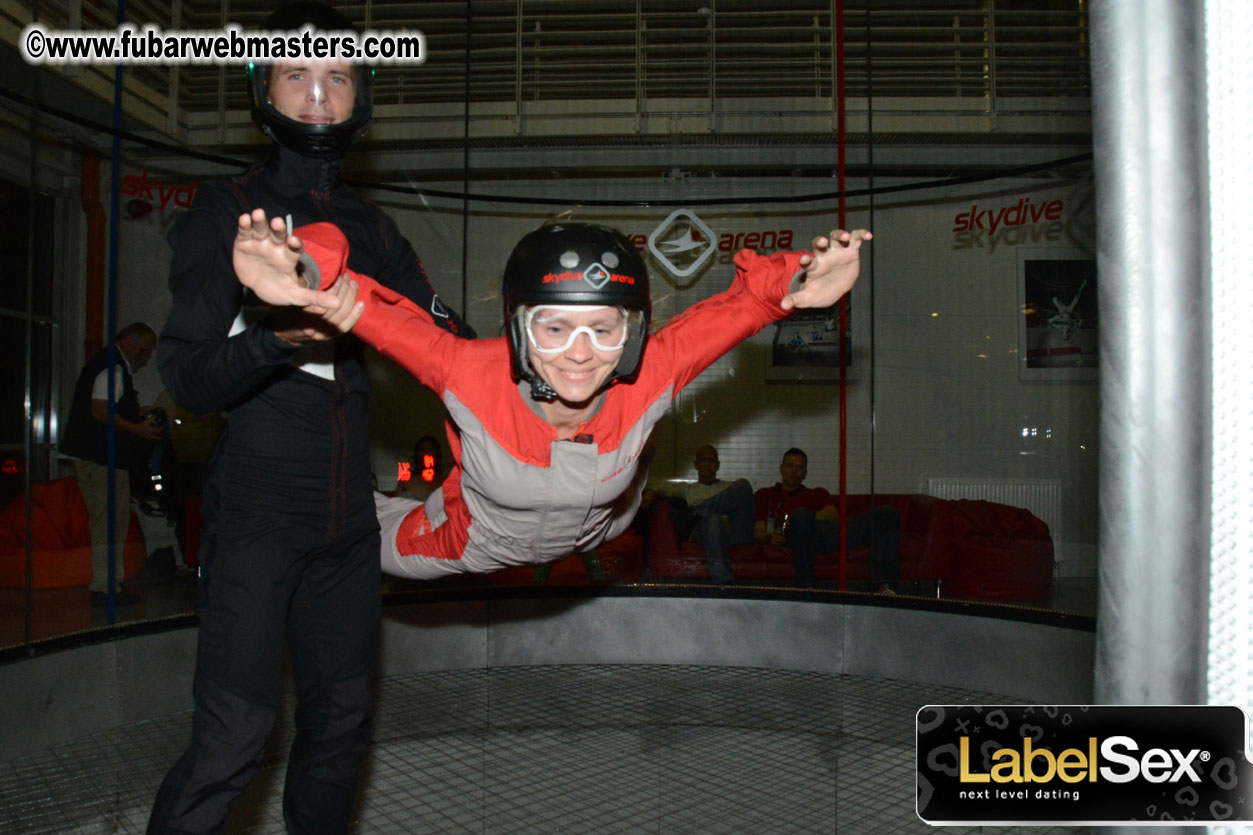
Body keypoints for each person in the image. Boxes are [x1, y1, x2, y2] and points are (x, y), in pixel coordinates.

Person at [147, 4, 472, 833]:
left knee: (338, 731)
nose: (320, 95)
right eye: (298, 73)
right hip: (256, 513)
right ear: (266, 88)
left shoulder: (373, 227)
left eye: (339, 75)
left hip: (347, 527)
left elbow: (451, 345)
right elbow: (183, 378)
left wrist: (545, 370)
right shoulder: (229, 212)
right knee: (234, 738)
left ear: (361, 93)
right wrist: (276, 336)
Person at [233, 211, 872, 584]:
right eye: (555, 327)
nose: (581, 352)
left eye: (606, 328)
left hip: (600, 523)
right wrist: (303, 273)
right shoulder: (468, 371)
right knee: (329, 521)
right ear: (518, 328)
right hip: (466, 541)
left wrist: (802, 283)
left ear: (634, 331)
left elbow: (749, 304)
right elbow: (358, 303)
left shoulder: (651, 369)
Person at [60, 322, 161, 606]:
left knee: (111, 521)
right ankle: (105, 588)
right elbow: (100, 410)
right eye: (144, 349)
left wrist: (135, 413)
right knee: (108, 523)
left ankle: (110, 586)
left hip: (101, 458)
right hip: (101, 458)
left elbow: (104, 407)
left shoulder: (109, 365)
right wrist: (138, 428)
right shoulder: (113, 367)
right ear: (129, 342)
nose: (145, 356)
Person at [753, 447, 901, 589]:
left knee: (887, 513)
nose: (794, 471)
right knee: (799, 516)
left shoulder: (817, 493)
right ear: (781, 468)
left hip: (826, 535)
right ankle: (806, 586)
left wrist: (808, 516)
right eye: (790, 465)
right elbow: (757, 531)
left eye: (799, 467)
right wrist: (770, 537)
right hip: (796, 539)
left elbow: (832, 515)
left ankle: (883, 587)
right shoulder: (766, 495)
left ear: (805, 473)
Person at [649, 445, 754, 584]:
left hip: (732, 532)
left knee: (744, 485)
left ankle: (701, 509)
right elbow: (658, 487)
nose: (707, 465)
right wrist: (650, 494)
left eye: (711, 461)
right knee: (713, 520)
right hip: (705, 532)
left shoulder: (729, 488)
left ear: (717, 465)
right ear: (696, 464)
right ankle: (724, 585)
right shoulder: (688, 489)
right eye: (703, 460)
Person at [393, 434, 445, 501]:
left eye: (429, 450)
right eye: (422, 450)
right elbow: (394, 503)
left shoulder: (445, 480)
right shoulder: (406, 479)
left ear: (437, 455)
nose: (425, 454)